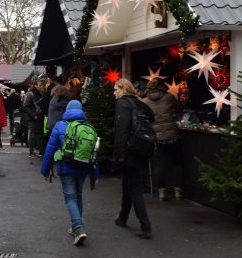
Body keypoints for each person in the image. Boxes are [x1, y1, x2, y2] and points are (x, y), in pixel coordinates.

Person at [40, 99, 99, 246]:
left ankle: (79, 228)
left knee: (70, 198)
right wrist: (95, 175)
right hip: (83, 167)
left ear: (67, 110)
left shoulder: (60, 126)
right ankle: (75, 227)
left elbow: (49, 150)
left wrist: (45, 170)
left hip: (66, 167)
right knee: (78, 195)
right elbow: (94, 154)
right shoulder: (88, 127)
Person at [112, 78, 155, 239]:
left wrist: (119, 155)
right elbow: (152, 118)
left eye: (116, 89)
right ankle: (122, 217)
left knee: (135, 188)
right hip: (141, 148)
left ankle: (146, 226)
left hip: (130, 151)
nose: (114, 92)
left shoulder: (123, 104)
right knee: (128, 184)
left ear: (123, 89)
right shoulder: (139, 103)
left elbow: (121, 132)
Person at [141, 78, 182, 201]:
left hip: (157, 137)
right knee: (177, 163)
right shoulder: (169, 97)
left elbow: (144, 118)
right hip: (172, 136)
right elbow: (179, 109)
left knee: (160, 164)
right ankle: (177, 192)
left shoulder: (145, 101)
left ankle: (161, 193)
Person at [21, 81, 42, 158]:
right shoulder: (30, 94)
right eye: (40, 85)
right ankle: (31, 152)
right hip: (32, 118)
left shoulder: (38, 93)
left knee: (36, 134)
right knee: (32, 135)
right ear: (35, 85)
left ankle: (34, 151)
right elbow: (25, 106)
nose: (41, 86)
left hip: (37, 117)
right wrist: (33, 115)